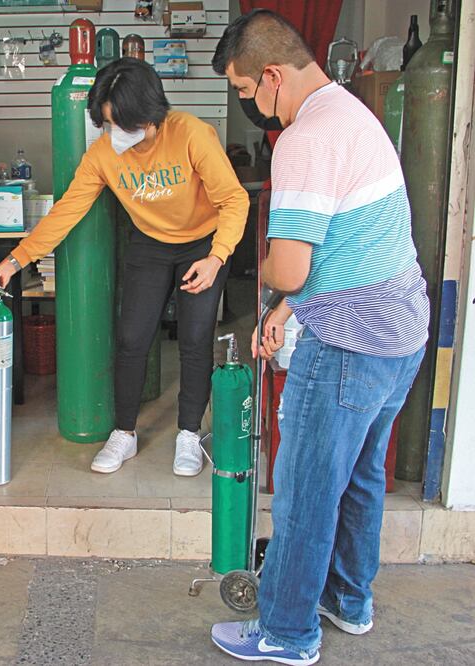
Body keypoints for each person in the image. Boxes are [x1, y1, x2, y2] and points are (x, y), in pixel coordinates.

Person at [209, 10, 429, 665]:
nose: (247, 105)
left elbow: (294, 262)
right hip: (400, 336)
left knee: (305, 488)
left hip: (347, 348)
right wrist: (283, 305)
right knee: (358, 479)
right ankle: (347, 601)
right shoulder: (352, 114)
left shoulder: (305, 139)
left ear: (270, 75)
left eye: (245, 92)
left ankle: (286, 633)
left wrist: (266, 271)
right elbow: (340, 244)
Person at [0, 58, 249, 477]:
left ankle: (187, 432)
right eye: (108, 125)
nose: (116, 135)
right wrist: (14, 261)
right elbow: (65, 213)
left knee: (196, 338)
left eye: (123, 124)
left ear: (150, 113)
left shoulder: (192, 135)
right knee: (131, 339)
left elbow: (234, 200)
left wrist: (216, 257)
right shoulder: (103, 155)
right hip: (149, 244)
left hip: (202, 244)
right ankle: (124, 433)